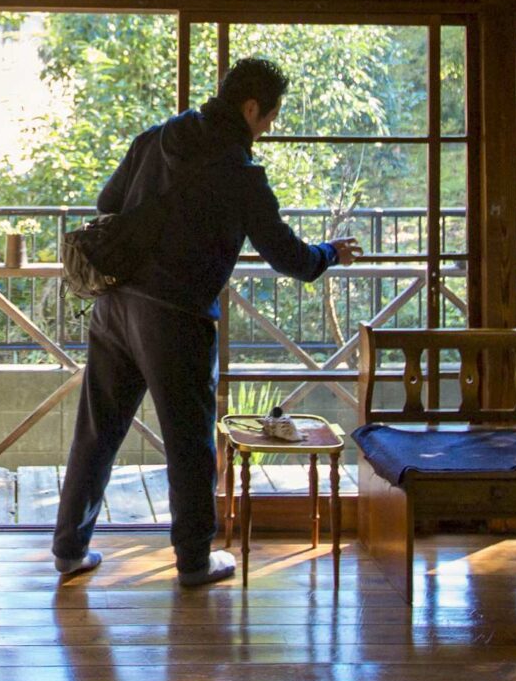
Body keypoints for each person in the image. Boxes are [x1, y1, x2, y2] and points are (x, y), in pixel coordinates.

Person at [51, 57, 364, 588]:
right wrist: (330, 252)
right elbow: (290, 258)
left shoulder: (158, 137)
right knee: (189, 441)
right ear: (249, 108)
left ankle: (69, 550)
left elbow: (108, 202)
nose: (268, 128)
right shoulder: (241, 174)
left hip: (115, 304)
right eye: (269, 117)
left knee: (98, 429)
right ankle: (195, 561)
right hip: (175, 316)